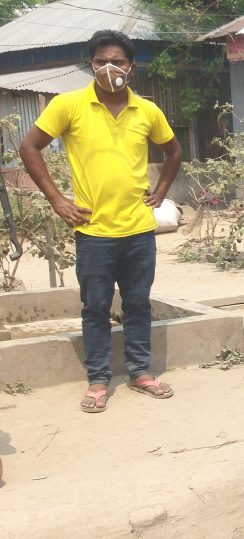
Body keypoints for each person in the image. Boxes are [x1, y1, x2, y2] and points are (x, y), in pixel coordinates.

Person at [19, 30, 182, 414]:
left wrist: (160, 190)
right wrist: (58, 199)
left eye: (118, 61)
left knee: (139, 303)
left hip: (139, 229)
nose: (110, 68)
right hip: (94, 232)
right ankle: (98, 379)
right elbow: (29, 147)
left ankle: (140, 372)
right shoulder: (69, 105)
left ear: (132, 66)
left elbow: (173, 151)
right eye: (101, 61)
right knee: (95, 306)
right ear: (91, 66)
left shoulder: (147, 111)